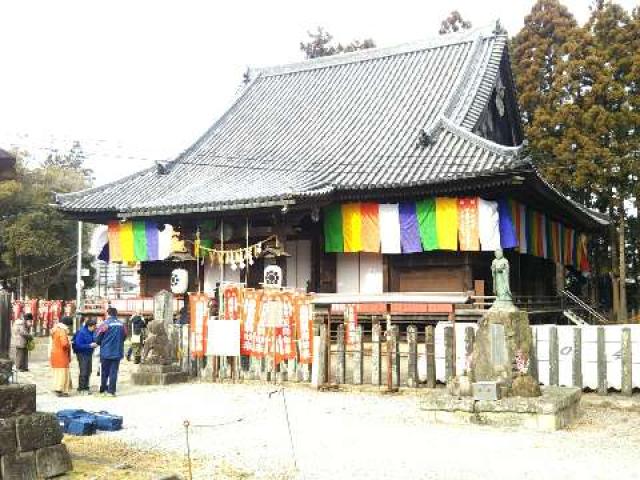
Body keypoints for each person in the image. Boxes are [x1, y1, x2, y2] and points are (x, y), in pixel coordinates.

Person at [95, 307, 127, 397]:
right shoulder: (121, 324)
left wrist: (101, 342)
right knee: (114, 372)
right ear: (116, 314)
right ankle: (111, 391)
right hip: (117, 352)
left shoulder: (105, 324)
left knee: (104, 372)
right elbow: (124, 337)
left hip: (106, 352)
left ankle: (103, 389)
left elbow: (98, 339)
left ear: (108, 314)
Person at [72, 318, 97, 394]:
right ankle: (81, 388)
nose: (94, 328)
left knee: (89, 370)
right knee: (84, 371)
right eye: (94, 327)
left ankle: (86, 387)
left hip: (89, 353)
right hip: (82, 354)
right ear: (89, 326)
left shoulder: (91, 332)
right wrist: (89, 345)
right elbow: (78, 345)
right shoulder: (81, 332)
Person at [50, 316, 73, 397]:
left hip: (54, 354)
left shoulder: (55, 329)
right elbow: (64, 344)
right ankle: (61, 390)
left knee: (57, 373)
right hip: (62, 355)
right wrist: (70, 343)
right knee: (63, 374)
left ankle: (57, 388)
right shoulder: (62, 331)